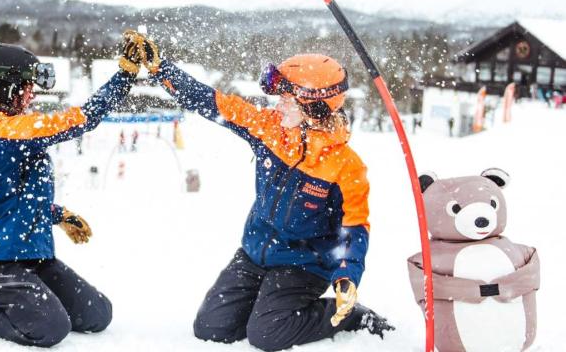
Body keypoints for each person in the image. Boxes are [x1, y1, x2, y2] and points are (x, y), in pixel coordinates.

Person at [123, 31, 393, 351]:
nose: (277, 104)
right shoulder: (268, 129)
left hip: (303, 264)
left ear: (314, 109)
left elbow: (355, 226)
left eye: (287, 99)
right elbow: (211, 101)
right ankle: (268, 301)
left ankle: (348, 317)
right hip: (255, 253)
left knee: (266, 334)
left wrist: (347, 274)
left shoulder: (346, 166)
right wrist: (160, 69)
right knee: (211, 327)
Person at [0, 39, 143, 347]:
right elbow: (81, 119)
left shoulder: (13, 129)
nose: (32, 93)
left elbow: (16, 197)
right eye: (26, 85)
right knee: (50, 328)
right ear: (6, 88)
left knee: (97, 314)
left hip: (34, 258)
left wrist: (58, 214)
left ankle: (30, 299)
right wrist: (125, 76)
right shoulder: (6, 131)